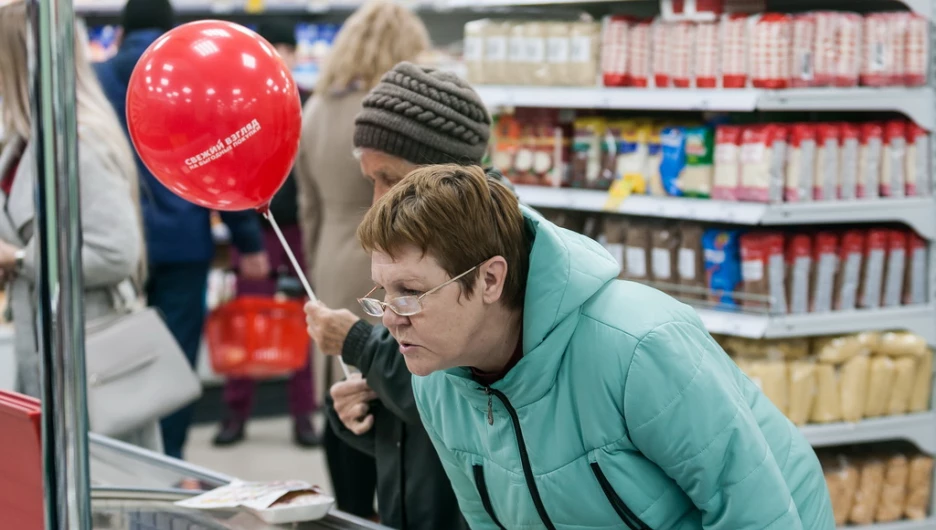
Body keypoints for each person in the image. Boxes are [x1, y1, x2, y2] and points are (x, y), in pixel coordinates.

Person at [353, 164, 836, 529]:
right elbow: (487, 521)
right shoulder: (436, 379)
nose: (391, 319)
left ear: (490, 279)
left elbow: (755, 507)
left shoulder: (640, 347)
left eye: (411, 293)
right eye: (382, 293)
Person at [302, 58, 505, 527]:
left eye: (390, 179)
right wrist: (361, 411)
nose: (377, 201)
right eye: (370, 179)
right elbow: (417, 419)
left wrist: (357, 343)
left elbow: (462, 404)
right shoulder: (417, 249)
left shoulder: (491, 263)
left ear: (447, 174)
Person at [293, 4, 464, 523]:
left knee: (346, 393)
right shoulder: (397, 118)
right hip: (393, 262)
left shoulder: (319, 107)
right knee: (394, 381)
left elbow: (308, 208)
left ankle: (351, 510)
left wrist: (319, 270)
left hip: (331, 263)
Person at [93, 0, 271, 460]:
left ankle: (118, 455)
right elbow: (219, 161)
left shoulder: (94, 81)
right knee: (173, 357)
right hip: (181, 243)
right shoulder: (189, 78)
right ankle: (167, 459)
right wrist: (247, 240)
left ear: (119, 31)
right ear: (170, 29)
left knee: (116, 357)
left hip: (116, 248)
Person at [0, 1, 161, 451]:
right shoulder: (21, 142)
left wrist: (17, 258)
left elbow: (116, 253)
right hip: (50, 349)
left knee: (104, 497)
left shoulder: (79, 144)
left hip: (89, 354)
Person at [212, 18, 318, 449]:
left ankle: (303, 417)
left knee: (304, 323)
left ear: (295, 54)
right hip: (253, 235)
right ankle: (235, 414)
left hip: (299, 232)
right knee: (245, 323)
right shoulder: (240, 110)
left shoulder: (311, 107)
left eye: (283, 48)